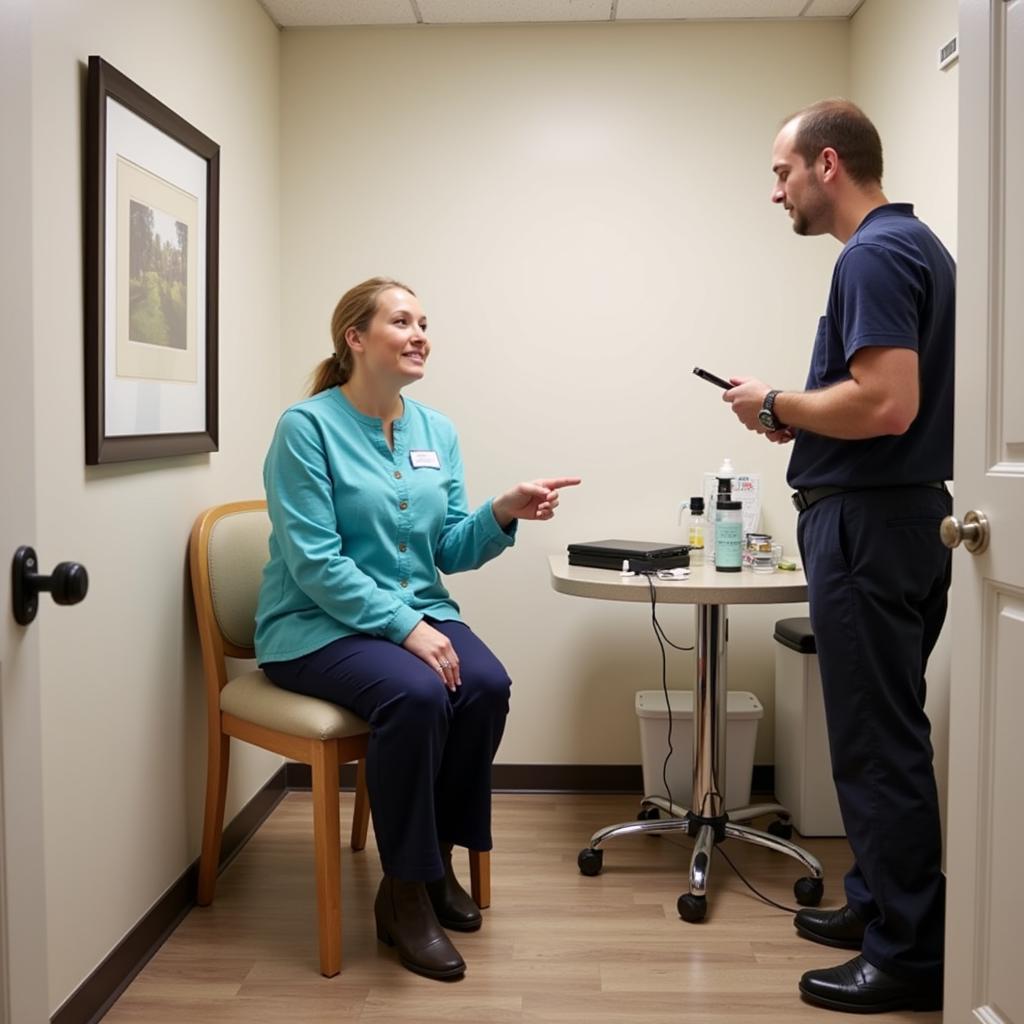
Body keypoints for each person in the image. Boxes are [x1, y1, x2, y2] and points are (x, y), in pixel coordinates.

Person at [254, 276, 579, 981]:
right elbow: (315, 564)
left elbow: (448, 551)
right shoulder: (305, 429)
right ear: (355, 339)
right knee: (419, 695)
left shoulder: (437, 430)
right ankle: (404, 894)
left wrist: (501, 512)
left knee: (487, 685)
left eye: (424, 321)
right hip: (312, 627)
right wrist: (407, 629)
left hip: (410, 616)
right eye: (401, 321)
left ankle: (433, 869)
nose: (420, 332)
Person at [724, 100, 953, 1014]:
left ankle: (907, 956)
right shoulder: (917, 246)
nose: (774, 190)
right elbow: (877, 405)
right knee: (881, 730)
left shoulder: (871, 254)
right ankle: (877, 907)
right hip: (893, 518)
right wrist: (797, 416)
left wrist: (775, 397)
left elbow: (886, 405)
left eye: (781, 172)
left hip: (868, 528)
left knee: (875, 742)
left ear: (827, 163)